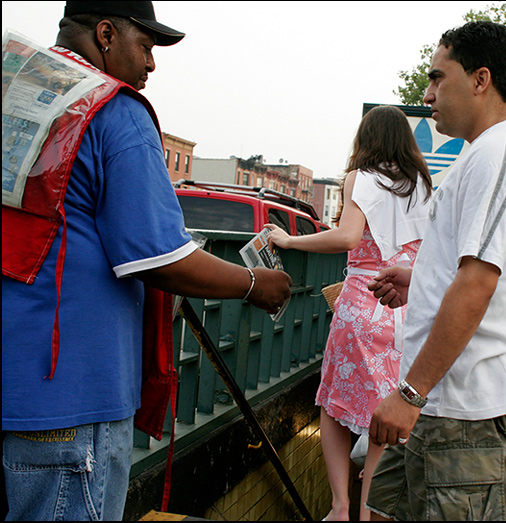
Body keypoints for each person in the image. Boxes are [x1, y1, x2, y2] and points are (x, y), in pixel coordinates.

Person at [1, 2, 291, 521]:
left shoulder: (14, 92)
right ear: (107, 34)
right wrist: (253, 283)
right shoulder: (114, 110)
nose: (151, 64)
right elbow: (161, 258)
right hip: (70, 397)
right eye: (147, 46)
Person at [365, 21, 506, 521]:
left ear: (480, 79)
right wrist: (420, 278)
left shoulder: (501, 153)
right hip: (441, 403)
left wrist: (408, 394)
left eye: (437, 78)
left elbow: (478, 283)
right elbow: (468, 268)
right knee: (382, 509)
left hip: (463, 409)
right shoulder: (484, 154)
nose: (427, 94)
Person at [265, 105, 433, 521]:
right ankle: (370, 512)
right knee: (385, 415)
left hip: (363, 302)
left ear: (366, 139)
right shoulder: (423, 186)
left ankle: (340, 507)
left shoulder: (361, 177)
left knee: (334, 403)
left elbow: (347, 236)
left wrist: (289, 241)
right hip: (404, 309)